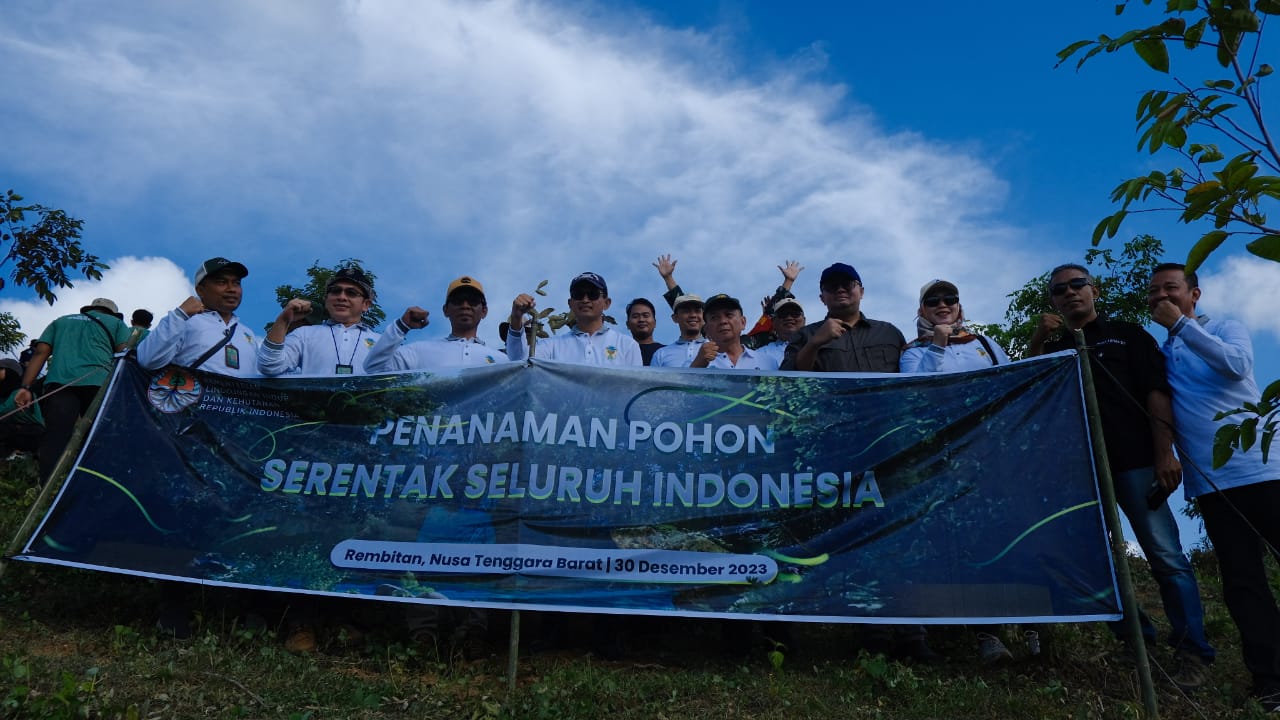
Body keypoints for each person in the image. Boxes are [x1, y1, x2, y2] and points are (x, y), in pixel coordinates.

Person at [1029, 263, 1215, 690]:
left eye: (1078, 285)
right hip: (1082, 473)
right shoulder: (1056, 347)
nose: (1071, 293)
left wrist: (1164, 452)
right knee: (1092, 563)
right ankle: (1138, 643)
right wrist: (1039, 338)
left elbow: (1156, 391)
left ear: (1093, 290)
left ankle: (1193, 652)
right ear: (1054, 301)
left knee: (1166, 556)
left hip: (1136, 461)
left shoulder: (1128, 335)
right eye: (1061, 290)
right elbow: (1030, 388)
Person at [1148, 262, 1280, 709]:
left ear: (1194, 295)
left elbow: (1238, 366)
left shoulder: (1225, 327)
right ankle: (1271, 681)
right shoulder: (1162, 352)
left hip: (1265, 470)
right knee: (1243, 583)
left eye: (1171, 289)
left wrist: (1183, 327)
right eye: (1154, 293)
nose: (1161, 298)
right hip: (1212, 484)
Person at [14, 298, 132, 484]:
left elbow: (41, 352)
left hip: (60, 384)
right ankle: (93, 484)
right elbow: (124, 354)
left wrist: (25, 387)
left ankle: (47, 486)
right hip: (98, 384)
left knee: (56, 436)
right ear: (111, 313)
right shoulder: (117, 324)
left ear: (90, 309)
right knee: (97, 436)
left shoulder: (62, 321)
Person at [366, 275, 523, 372]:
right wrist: (401, 326)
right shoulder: (419, 351)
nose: (465, 305)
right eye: (457, 300)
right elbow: (374, 368)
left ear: (484, 311)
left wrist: (518, 320)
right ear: (445, 310)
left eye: (473, 301)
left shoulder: (502, 361)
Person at [137, 257, 259, 377]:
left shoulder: (247, 334)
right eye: (222, 282)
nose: (232, 289)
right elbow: (148, 360)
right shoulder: (184, 322)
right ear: (200, 290)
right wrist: (180, 314)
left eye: (236, 283)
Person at [781, 263, 905, 373]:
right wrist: (814, 344)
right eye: (832, 286)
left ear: (861, 292)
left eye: (847, 284)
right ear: (822, 298)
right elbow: (789, 382)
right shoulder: (805, 335)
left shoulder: (889, 332)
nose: (840, 289)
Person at [259, 266, 379, 377]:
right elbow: (269, 367)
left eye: (351, 293)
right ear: (326, 299)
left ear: (366, 304)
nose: (341, 297)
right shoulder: (304, 334)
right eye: (335, 291)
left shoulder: (381, 343)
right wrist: (283, 321)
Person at [505, 272, 641, 366]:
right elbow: (518, 361)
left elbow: (635, 389)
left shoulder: (627, 345)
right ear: (570, 304)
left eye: (592, 294)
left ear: (607, 303)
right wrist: (517, 317)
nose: (585, 299)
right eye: (579, 294)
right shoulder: (552, 346)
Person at [901, 279, 1009, 372]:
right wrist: (937, 347)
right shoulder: (912, 353)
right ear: (922, 311)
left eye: (950, 299)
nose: (942, 305)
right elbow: (916, 391)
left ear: (958, 306)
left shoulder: (985, 343)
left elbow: (1010, 380)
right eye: (933, 301)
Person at [690, 294, 779, 370]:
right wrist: (698, 365)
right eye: (714, 317)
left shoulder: (769, 363)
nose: (723, 321)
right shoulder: (693, 363)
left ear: (743, 322)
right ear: (706, 330)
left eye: (729, 315)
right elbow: (681, 388)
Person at [0, 357, 44, 461]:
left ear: (10, 373)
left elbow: (5, 410)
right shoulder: (3, 395)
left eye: (1, 369)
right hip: (13, 432)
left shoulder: (21, 394)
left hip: (32, 433)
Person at [650, 294, 708, 367]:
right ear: (675, 318)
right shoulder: (660, 354)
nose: (693, 315)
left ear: (704, 317)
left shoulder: (718, 350)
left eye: (697, 311)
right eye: (686, 311)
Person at [756, 297, 806, 368]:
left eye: (795, 313)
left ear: (804, 320)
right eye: (783, 314)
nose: (789, 318)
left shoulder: (817, 347)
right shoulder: (760, 354)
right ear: (773, 322)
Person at [625, 298, 664, 366]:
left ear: (655, 323)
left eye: (646, 315)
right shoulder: (621, 352)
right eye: (635, 316)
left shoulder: (665, 352)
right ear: (628, 324)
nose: (641, 320)